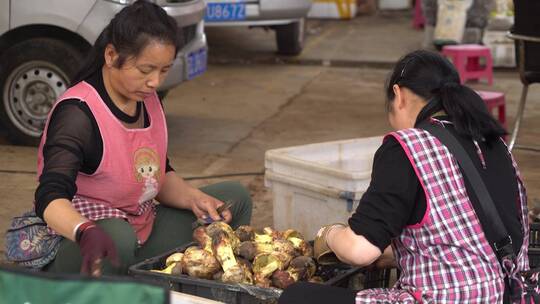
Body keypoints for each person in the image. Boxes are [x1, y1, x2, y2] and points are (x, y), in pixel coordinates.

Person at [6, 0, 252, 276]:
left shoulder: (148, 100)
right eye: (145, 70)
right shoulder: (78, 113)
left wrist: (195, 198)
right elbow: (49, 198)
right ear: (111, 56)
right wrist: (84, 231)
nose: (155, 82)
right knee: (116, 237)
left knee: (235, 199)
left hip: (141, 229)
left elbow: (157, 175)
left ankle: (165, 279)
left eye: (164, 70)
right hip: (85, 242)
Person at [279, 50, 529, 303]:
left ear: (398, 95)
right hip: (510, 295)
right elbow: (467, 241)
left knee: (297, 297)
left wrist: (330, 234)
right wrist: (397, 253)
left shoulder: (408, 146)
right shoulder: (493, 143)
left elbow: (358, 250)